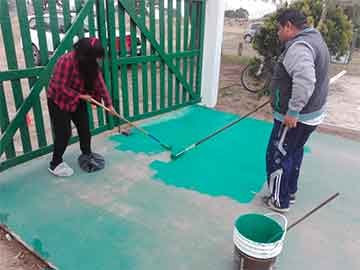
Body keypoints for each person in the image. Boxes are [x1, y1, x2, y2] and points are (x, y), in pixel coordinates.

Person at [264, 9, 330, 213]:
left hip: (295, 118)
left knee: (278, 154)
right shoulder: (314, 38)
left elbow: (305, 80)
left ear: (289, 26)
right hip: (310, 115)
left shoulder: (299, 47)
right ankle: (289, 192)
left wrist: (292, 111)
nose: (277, 33)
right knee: (293, 151)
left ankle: (279, 201)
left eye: (279, 28)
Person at [47, 37, 114, 177]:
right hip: (58, 101)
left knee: (84, 129)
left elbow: (100, 84)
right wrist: (80, 96)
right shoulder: (66, 61)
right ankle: (55, 164)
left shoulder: (90, 64)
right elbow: (59, 86)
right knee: (64, 133)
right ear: (86, 55)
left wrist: (109, 105)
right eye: (95, 57)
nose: (97, 61)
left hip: (78, 100)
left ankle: (87, 155)